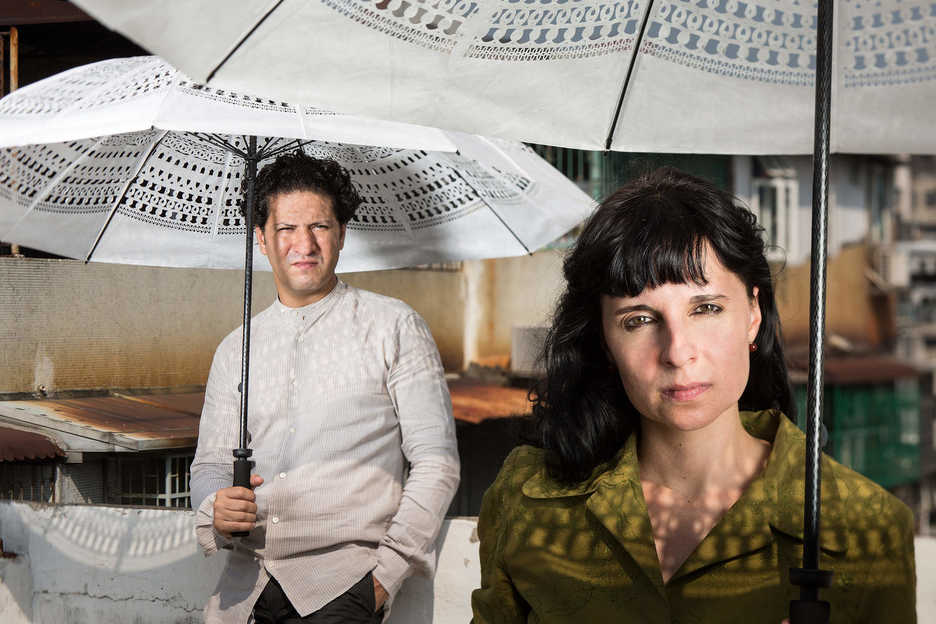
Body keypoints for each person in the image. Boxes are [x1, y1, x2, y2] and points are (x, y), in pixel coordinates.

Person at [471, 167, 916, 623]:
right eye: (639, 320)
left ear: (752, 315)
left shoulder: (864, 527)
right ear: (604, 340)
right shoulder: (527, 497)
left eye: (706, 308)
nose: (678, 352)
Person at [191, 151, 460, 624]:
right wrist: (217, 506)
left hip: (342, 588)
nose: (304, 244)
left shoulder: (393, 325)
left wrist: (382, 580)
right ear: (261, 240)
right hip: (242, 593)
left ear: (341, 234)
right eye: (286, 229)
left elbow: (437, 462)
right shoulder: (236, 348)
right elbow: (210, 465)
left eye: (319, 226)